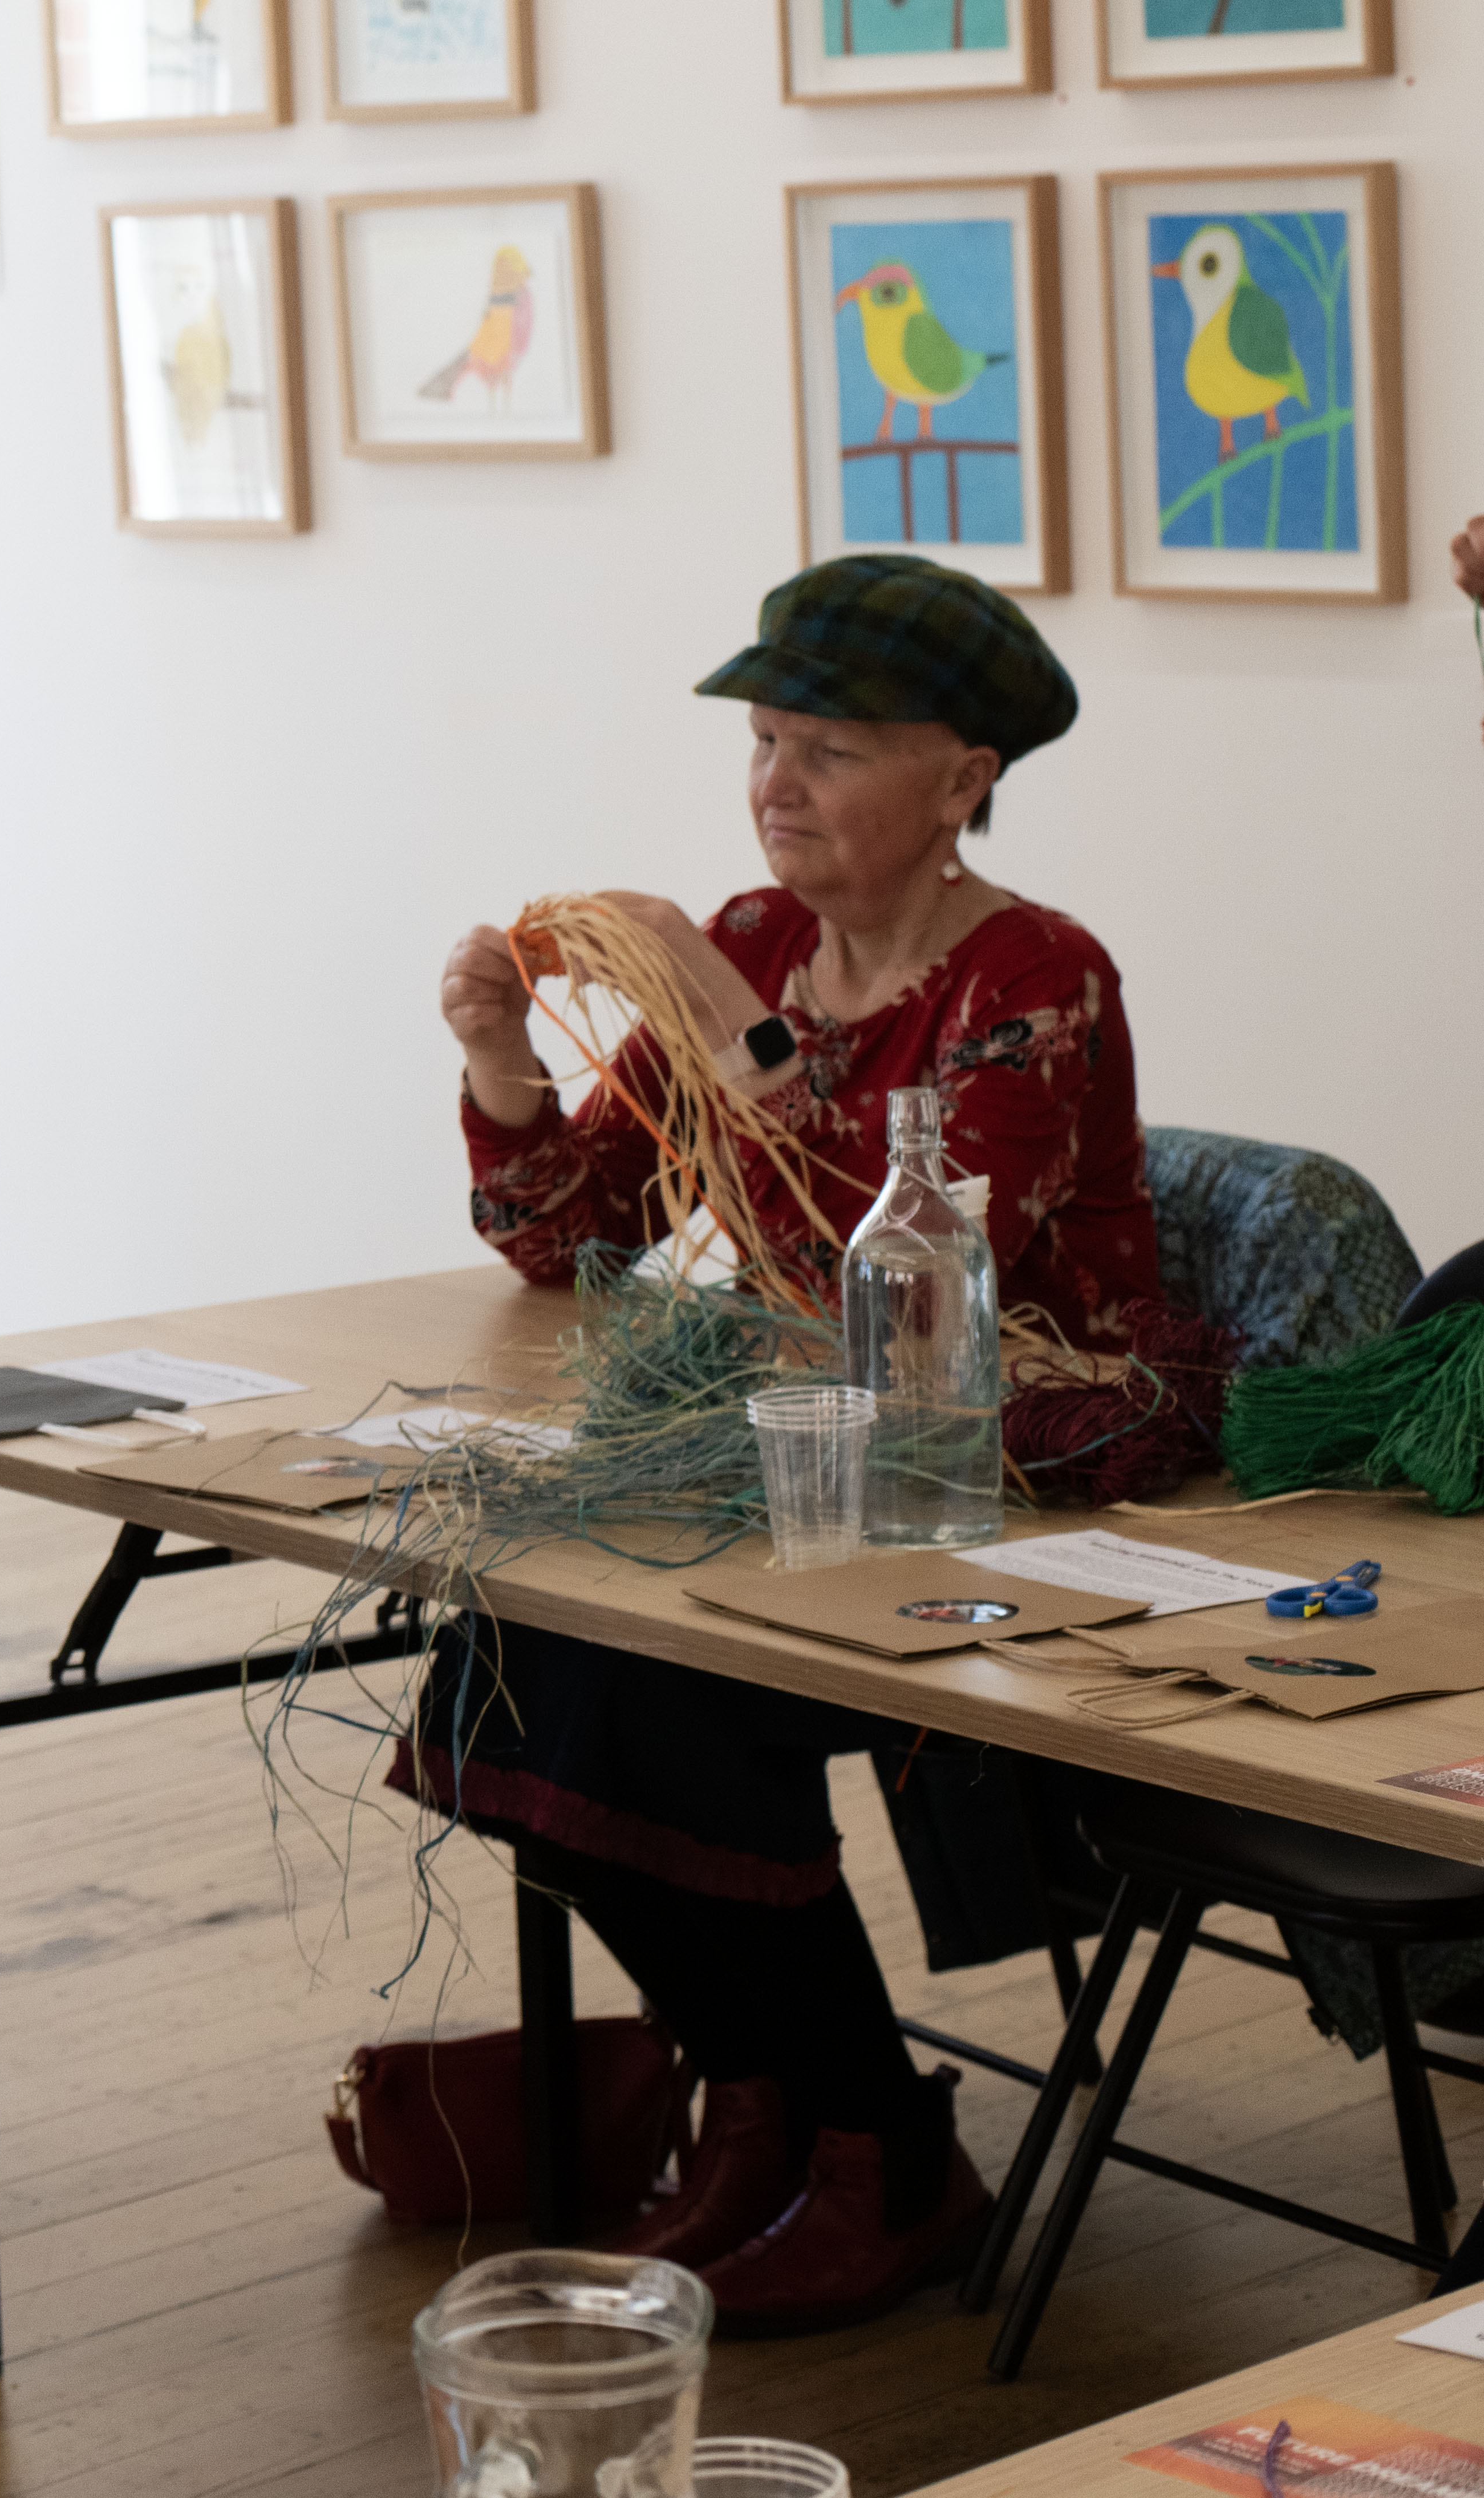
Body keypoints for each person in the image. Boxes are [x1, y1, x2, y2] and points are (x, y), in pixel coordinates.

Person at [409, 554, 1167, 2334]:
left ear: (966, 773)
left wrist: (715, 1009)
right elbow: (570, 1229)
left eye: (826, 745)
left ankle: (884, 2150)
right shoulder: (758, 948)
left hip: (1012, 1489)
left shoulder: (1035, 975)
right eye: (763, 739)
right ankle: (772, 2109)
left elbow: (896, 1264)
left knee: (662, 1686)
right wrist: (503, 1053)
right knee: (508, 1654)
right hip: (813, 1472)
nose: (774, 782)